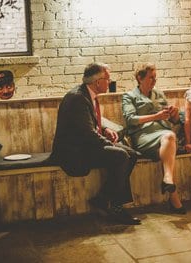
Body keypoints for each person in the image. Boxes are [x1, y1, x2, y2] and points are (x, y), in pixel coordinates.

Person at [50, 62, 141, 225]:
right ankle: (116, 207)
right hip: (73, 152)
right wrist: (110, 144)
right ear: (97, 82)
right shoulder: (78, 98)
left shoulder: (86, 94)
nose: (110, 82)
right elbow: (87, 134)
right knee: (121, 155)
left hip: (85, 146)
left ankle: (103, 199)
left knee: (132, 154)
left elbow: (88, 123)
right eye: (108, 78)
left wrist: (105, 129)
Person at [121, 63, 185, 214]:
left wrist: (174, 113)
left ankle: (168, 182)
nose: (154, 81)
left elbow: (174, 121)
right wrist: (155, 116)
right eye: (150, 78)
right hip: (143, 137)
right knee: (170, 139)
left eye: (155, 78)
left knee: (169, 137)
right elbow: (130, 120)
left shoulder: (159, 94)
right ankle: (173, 195)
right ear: (139, 78)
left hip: (164, 135)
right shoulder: (129, 97)